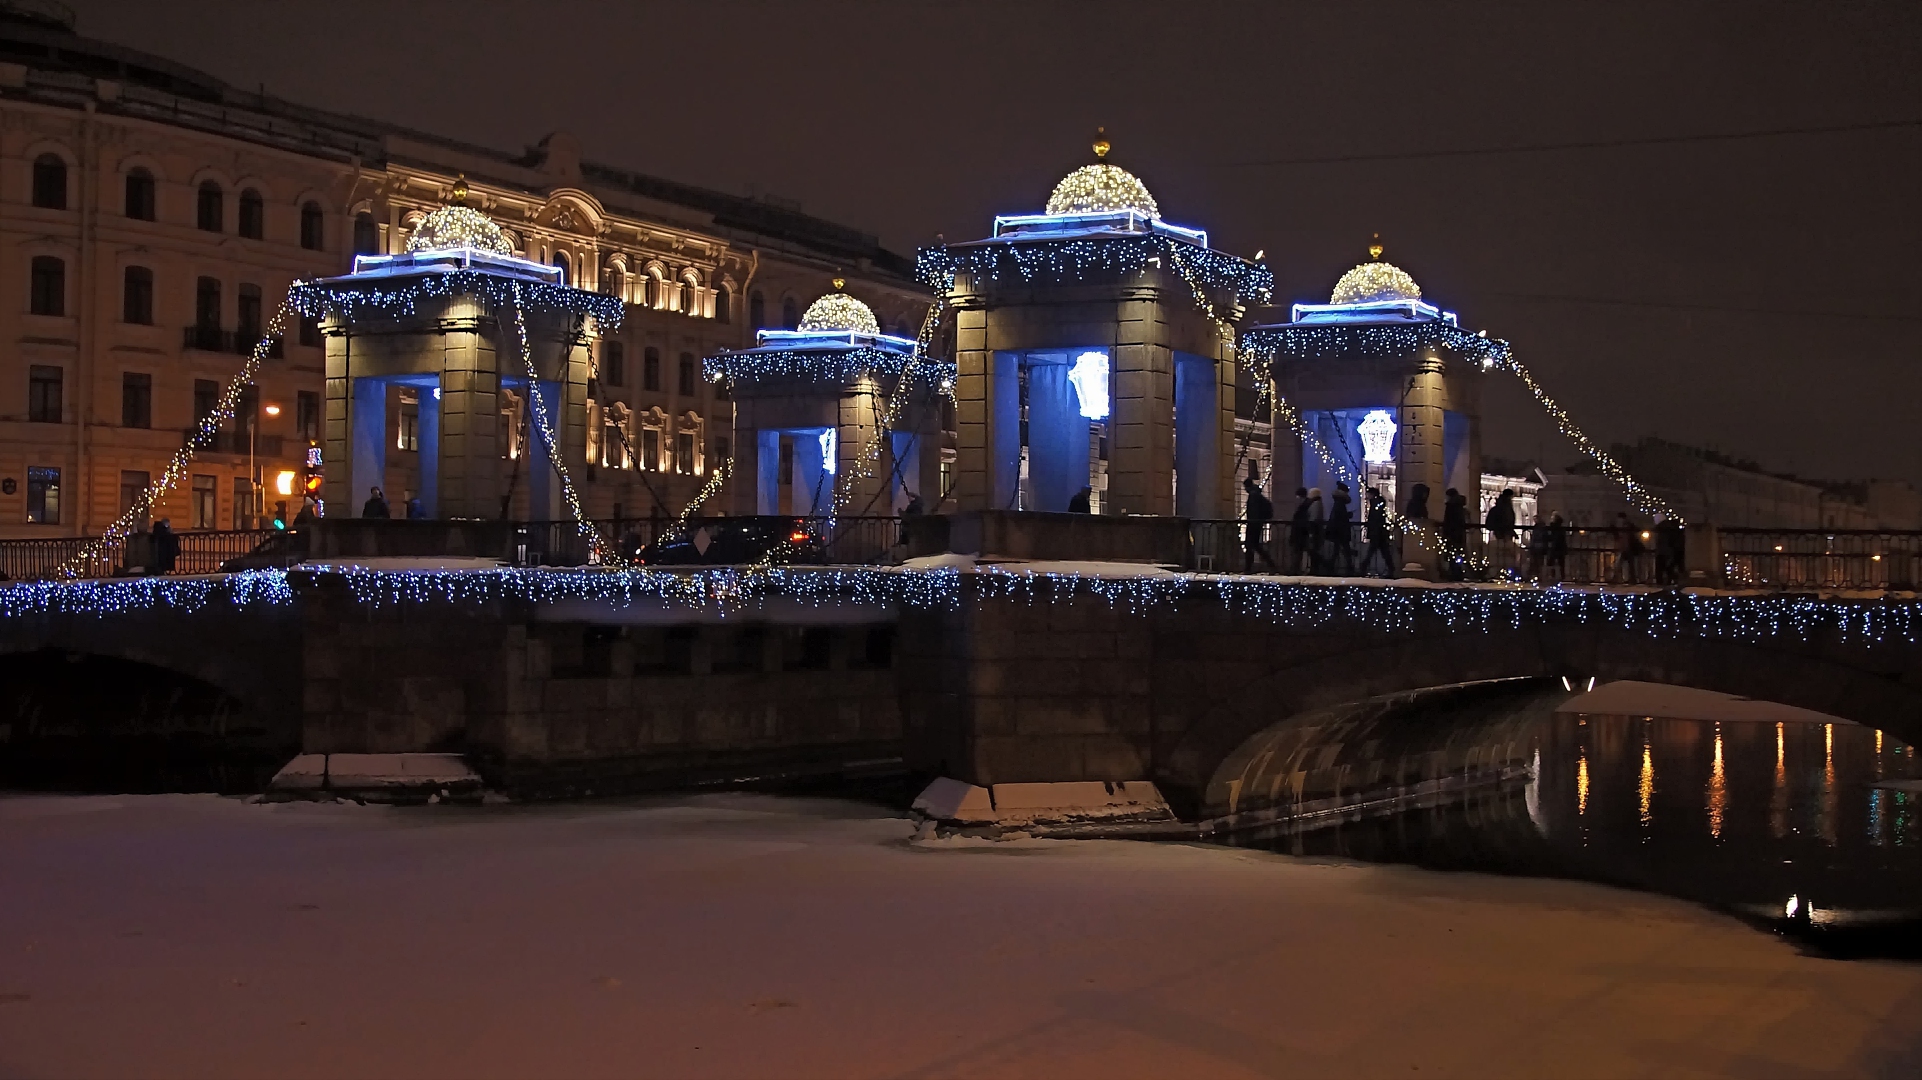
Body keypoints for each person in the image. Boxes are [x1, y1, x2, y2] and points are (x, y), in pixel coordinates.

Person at [1241, 468, 1277, 573]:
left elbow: (1253, 511)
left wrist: (1252, 521)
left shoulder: (1253, 495)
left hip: (1253, 524)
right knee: (1256, 546)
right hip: (1257, 523)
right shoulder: (1257, 493)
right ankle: (1271, 565)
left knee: (1250, 545)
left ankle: (1248, 568)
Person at [1361, 487, 1396, 576]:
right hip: (1379, 531)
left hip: (1377, 531)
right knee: (1384, 551)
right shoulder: (1378, 503)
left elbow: (1374, 518)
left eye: (1369, 494)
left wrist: (1370, 526)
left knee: (1373, 551)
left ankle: (1363, 567)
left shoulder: (1375, 503)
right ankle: (1391, 568)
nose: (1367, 496)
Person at [1484, 489, 1518, 580]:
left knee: (1501, 555)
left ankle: (1500, 573)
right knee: (1504, 555)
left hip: (1500, 532)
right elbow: (1507, 520)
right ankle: (1504, 573)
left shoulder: (1500, 506)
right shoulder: (1506, 507)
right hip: (1503, 532)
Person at [1325, 481, 1355, 576]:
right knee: (1344, 549)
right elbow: (1340, 517)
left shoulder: (1338, 502)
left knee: (1337, 550)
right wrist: (1348, 515)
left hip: (1338, 530)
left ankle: (1331, 566)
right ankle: (1349, 568)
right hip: (1341, 530)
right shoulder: (1340, 503)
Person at [1440, 487, 1470, 581]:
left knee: (1452, 554)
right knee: (1458, 553)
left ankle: (1455, 573)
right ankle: (1459, 572)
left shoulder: (1451, 506)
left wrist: (1445, 532)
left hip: (1452, 533)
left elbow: (1448, 520)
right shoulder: (1460, 506)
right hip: (1459, 534)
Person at [1611, 511, 1644, 584]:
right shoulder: (1628, 524)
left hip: (1623, 546)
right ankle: (1632, 579)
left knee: (1619, 562)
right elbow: (1637, 529)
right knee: (1630, 564)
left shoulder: (1616, 525)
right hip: (1628, 546)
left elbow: (1613, 532)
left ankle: (1616, 577)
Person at [1654, 513, 1685, 586]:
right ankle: (1672, 583)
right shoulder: (1671, 528)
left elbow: (1663, 542)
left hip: (1663, 552)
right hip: (1670, 552)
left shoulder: (1662, 529)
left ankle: (1662, 585)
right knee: (1669, 570)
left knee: (1661, 570)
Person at [1287, 487, 1312, 574]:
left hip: (1300, 533)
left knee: (1297, 552)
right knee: (1299, 552)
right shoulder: (1307, 505)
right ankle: (1295, 569)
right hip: (1300, 533)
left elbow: (1301, 520)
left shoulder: (1304, 506)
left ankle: (1295, 570)